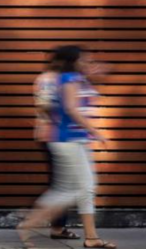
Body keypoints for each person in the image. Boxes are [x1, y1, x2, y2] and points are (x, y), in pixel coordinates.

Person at [18, 46, 117, 249]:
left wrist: (96, 73)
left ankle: (91, 237)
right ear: (73, 61)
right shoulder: (68, 79)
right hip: (66, 139)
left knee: (80, 189)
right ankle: (28, 224)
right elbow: (71, 109)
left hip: (75, 139)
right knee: (72, 190)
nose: (88, 62)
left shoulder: (76, 78)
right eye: (84, 60)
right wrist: (96, 132)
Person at [32, 55, 77, 241]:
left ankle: (56, 225)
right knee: (63, 184)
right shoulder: (52, 79)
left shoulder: (47, 78)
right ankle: (51, 224)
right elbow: (43, 105)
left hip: (52, 135)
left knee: (61, 182)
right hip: (55, 136)